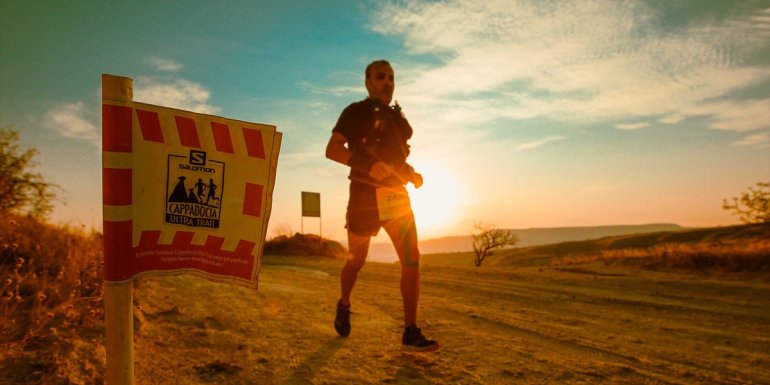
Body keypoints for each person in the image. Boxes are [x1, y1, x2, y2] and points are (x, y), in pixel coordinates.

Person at [325, 60, 439, 352]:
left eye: (391, 77)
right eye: (380, 77)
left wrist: (410, 173)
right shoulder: (354, 112)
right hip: (364, 197)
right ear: (367, 83)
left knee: (412, 259)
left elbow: (396, 159)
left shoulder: (397, 119)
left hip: (395, 196)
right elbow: (332, 149)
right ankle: (344, 304)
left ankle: (410, 331)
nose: (387, 82)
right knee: (356, 261)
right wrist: (366, 165)